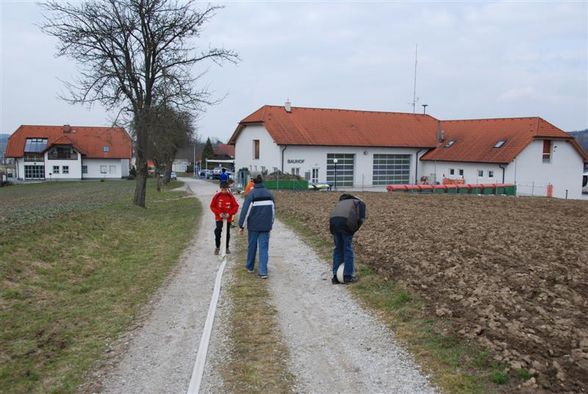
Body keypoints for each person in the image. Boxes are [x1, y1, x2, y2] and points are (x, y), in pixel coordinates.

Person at [238, 175, 275, 279]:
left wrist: (241, 226)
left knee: (252, 246)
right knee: (264, 248)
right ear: (262, 182)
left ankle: (250, 267)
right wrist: (270, 224)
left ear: (253, 183)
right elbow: (273, 211)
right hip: (265, 226)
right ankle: (263, 272)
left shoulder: (251, 194)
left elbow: (245, 211)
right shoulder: (269, 194)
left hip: (253, 226)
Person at [329, 194, 367, 284]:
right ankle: (348, 276)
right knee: (347, 249)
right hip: (346, 224)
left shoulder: (341, 202)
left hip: (333, 224)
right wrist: (353, 231)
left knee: (338, 249)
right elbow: (361, 219)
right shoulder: (359, 203)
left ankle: (335, 277)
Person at [210, 181, 239, 255]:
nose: (224, 191)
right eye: (223, 189)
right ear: (220, 189)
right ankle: (217, 247)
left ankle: (226, 248)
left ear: (227, 189)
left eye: (225, 189)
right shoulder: (217, 196)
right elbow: (212, 206)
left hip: (228, 218)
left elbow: (236, 206)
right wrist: (219, 213)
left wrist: (230, 214)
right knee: (218, 230)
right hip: (219, 218)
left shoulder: (230, 196)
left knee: (227, 232)